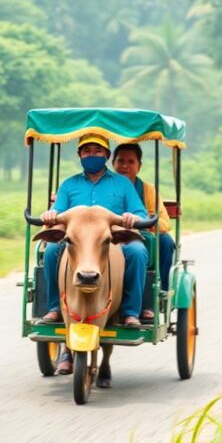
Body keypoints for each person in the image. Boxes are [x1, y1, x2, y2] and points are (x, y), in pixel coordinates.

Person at [39, 134, 150, 331]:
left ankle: (130, 312)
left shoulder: (123, 183)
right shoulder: (69, 184)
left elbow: (140, 212)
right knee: (50, 251)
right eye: (87, 151)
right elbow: (58, 211)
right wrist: (51, 215)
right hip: (77, 239)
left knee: (137, 251)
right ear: (79, 155)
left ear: (106, 155)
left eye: (97, 151)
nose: (92, 155)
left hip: (111, 238)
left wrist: (132, 218)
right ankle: (55, 307)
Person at [112, 143, 176, 321]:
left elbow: (165, 222)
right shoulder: (105, 186)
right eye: (121, 161)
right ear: (112, 163)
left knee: (164, 241)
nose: (125, 165)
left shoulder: (148, 190)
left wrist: (145, 222)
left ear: (139, 166)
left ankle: (155, 295)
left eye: (131, 161)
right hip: (109, 235)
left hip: (140, 236)